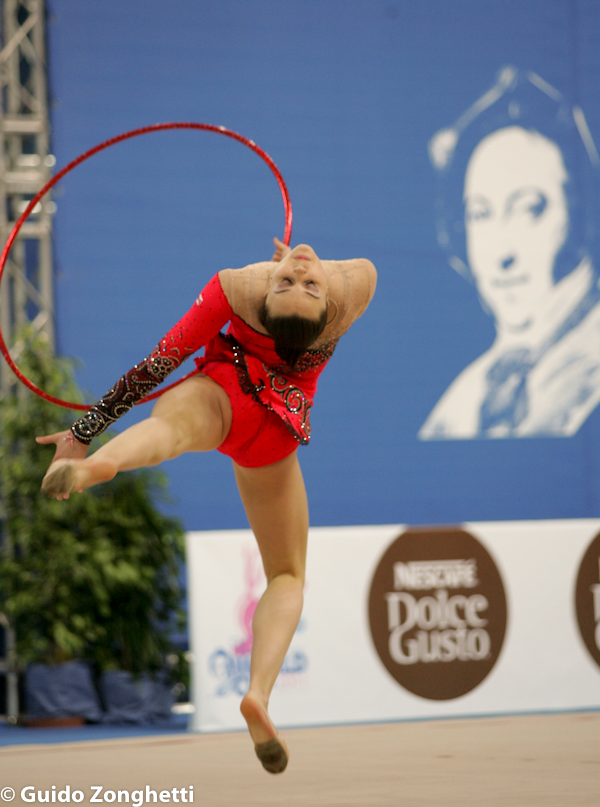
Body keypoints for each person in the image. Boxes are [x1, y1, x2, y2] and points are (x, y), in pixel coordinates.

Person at [37, 238, 377, 773]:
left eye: (303, 284)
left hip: (222, 396)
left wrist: (84, 430)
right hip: (275, 436)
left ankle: (97, 464)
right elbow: (320, 279)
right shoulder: (355, 286)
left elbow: (158, 365)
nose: (302, 272)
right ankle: (258, 692)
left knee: (171, 429)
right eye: (297, 281)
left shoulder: (237, 287)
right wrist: (299, 273)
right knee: (287, 576)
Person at [419, 67, 600, 439]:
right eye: (480, 214)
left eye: (528, 209)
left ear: (579, 213)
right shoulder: (456, 409)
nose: (502, 253)